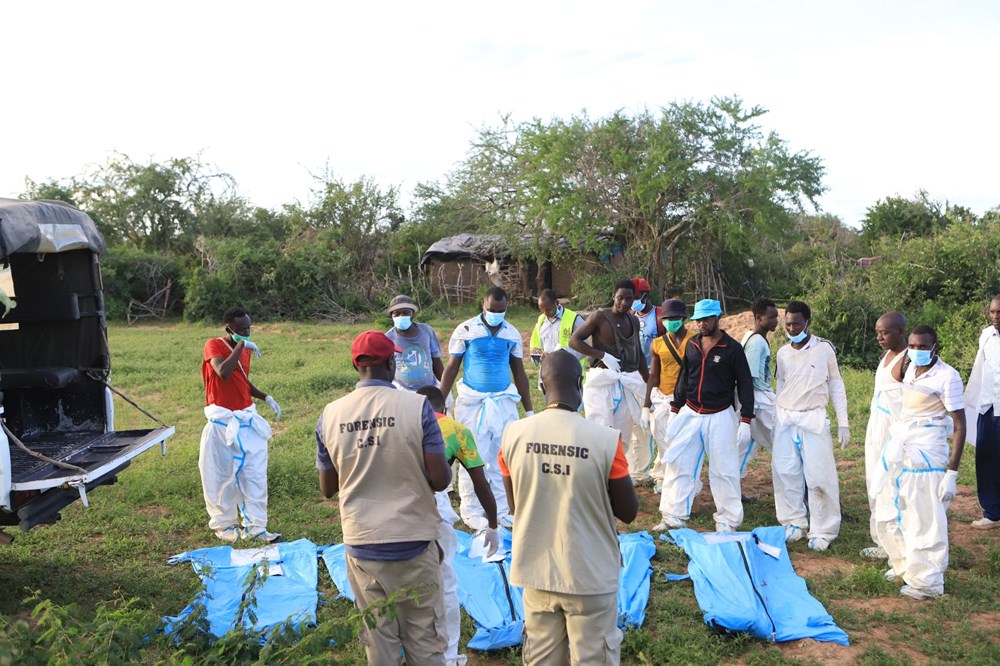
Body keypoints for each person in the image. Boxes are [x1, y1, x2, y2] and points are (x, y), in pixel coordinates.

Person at [316, 331, 452, 665]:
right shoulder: (418, 407)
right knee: (425, 638)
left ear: (355, 366)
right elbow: (440, 480)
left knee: (379, 642)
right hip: (413, 541)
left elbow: (328, 488)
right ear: (392, 363)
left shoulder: (330, 415)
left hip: (363, 544)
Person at [498, 350, 638, 665]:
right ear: (580, 383)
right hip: (589, 574)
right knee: (593, 657)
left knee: (542, 657)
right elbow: (628, 512)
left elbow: (516, 504)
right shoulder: (605, 440)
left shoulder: (513, 435)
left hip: (536, 571)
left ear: (541, 386)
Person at [875, 325, 966, 599]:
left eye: (923, 347)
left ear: (935, 347)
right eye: (913, 346)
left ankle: (928, 583)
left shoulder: (948, 376)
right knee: (899, 508)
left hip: (928, 454)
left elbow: (959, 425)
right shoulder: (910, 368)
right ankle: (905, 565)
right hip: (904, 447)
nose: (917, 351)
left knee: (925, 518)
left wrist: (952, 472)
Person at [415, 386, 499, 666]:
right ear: (444, 408)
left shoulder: (402, 424)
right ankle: (448, 656)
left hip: (395, 509)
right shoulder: (456, 430)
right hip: (435, 509)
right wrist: (493, 525)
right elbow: (480, 482)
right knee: (445, 585)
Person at [656, 299, 755, 532]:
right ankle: (673, 516)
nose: (701, 324)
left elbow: (745, 384)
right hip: (691, 412)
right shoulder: (692, 345)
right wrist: (675, 408)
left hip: (720, 415)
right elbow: (684, 378)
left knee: (724, 469)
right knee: (679, 463)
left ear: (717, 318)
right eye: (698, 320)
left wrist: (746, 419)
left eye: (706, 319)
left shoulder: (732, 349)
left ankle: (727, 520)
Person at [440, 286, 533, 530]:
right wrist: (440, 400)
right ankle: (471, 509)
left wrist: (529, 410)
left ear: (507, 308)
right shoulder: (466, 330)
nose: (495, 314)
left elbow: (519, 373)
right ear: (483, 305)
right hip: (473, 403)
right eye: (492, 310)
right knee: (472, 453)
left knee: (501, 455)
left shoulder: (511, 334)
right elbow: (451, 368)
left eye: (501, 311)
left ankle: (501, 509)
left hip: (502, 403)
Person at [199, 306, 282, 543]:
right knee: (221, 477)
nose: (247, 332)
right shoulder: (214, 345)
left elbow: (241, 380)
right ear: (229, 328)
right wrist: (241, 346)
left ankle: (256, 527)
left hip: (246, 420)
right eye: (241, 329)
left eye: (248, 327)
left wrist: (265, 396)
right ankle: (225, 525)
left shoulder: (244, 349)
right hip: (222, 424)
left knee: (254, 475)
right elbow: (223, 372)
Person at [772, 300, 850, 550]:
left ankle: (823, 530)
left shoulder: (823, 349)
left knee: (819, 476)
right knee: (785, 473)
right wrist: (776, 418)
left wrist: (843, 422)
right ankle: (793, 522)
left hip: (813, 419)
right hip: (786, 419)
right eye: (788, 324)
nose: (792, 328)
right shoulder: (783, 353)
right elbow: (781, 385)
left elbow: (836, 384)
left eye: (797, 324)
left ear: (808, 322)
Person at [570, 279, 651, 484]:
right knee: (600, 429)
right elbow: (574, 341)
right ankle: (595, 478)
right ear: (613, 296)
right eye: (620, 298)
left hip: (625, 382)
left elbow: (639, 354)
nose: (624, 302)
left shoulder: (633, 321)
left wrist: (649, 384)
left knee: (622, 434)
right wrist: (601, 355)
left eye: (629, 299)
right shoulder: (600, 317)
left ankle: (615, 477)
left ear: (634, 299)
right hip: (602, 382)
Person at [861, 311, 908, 559]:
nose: (879, 337)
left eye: (884, 332)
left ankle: (898, 546)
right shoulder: (885, 356)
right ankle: (881, 541)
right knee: (875, 482)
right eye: (877, 332)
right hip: (876, 428)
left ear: (900, 331)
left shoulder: (908, 361)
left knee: (893, 486)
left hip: (895, 432)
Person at [642, 298, 695, 493]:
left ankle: (685, 478)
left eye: (673, 318)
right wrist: (646, 405)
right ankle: (665, 477)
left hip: (687, 400)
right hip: (664, 398)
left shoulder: (695, 341)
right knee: (663, 440)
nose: (669, 322)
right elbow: (654, 375)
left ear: (683, 318)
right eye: (666, 319)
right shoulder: (657, 344)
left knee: (685, 442)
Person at [962, 294, 1000, 530]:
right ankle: (992, 513)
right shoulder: (987, 336)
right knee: (986, 459)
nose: (995, 317)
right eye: (993, 312)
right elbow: (980, 370)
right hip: (988, 406)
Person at [737, 298, 779, 485]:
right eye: (772, 317)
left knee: (747, 446)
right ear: (759, 318)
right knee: (781, 439)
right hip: (759, 399)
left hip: (756, 399)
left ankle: (733, 487)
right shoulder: (757, 343)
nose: (776, 321)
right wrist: (749, 407)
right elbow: (749, 377)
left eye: (776, 317)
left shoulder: (753, 337)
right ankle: (795, 485)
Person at [384, 294, 444, 392]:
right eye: (396, 314)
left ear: (413, 314)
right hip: (402, 389)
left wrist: (444, 387)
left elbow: (436, 361)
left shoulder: (426, 330)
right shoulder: (388, 338)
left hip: (429, 387)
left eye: (406, 313)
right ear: (391, 316)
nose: (401, 316)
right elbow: (387, 368)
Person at [528, 288, 586, 377]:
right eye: (542, 309)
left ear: (557, 303)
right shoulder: (541, 321)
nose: (545, 313)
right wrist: (536, 353)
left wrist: (558, 357)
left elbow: (584, 348)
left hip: (570, 374)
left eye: (548, 309)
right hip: (547, 374)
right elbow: (535, 345)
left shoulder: (575, 320)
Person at [629, 277, 665, 365]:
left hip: (656, 368)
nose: (631, 302)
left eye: (635, 298)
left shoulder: (660, 315)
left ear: (645, 296)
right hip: (634, 369)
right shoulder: (630, 316)